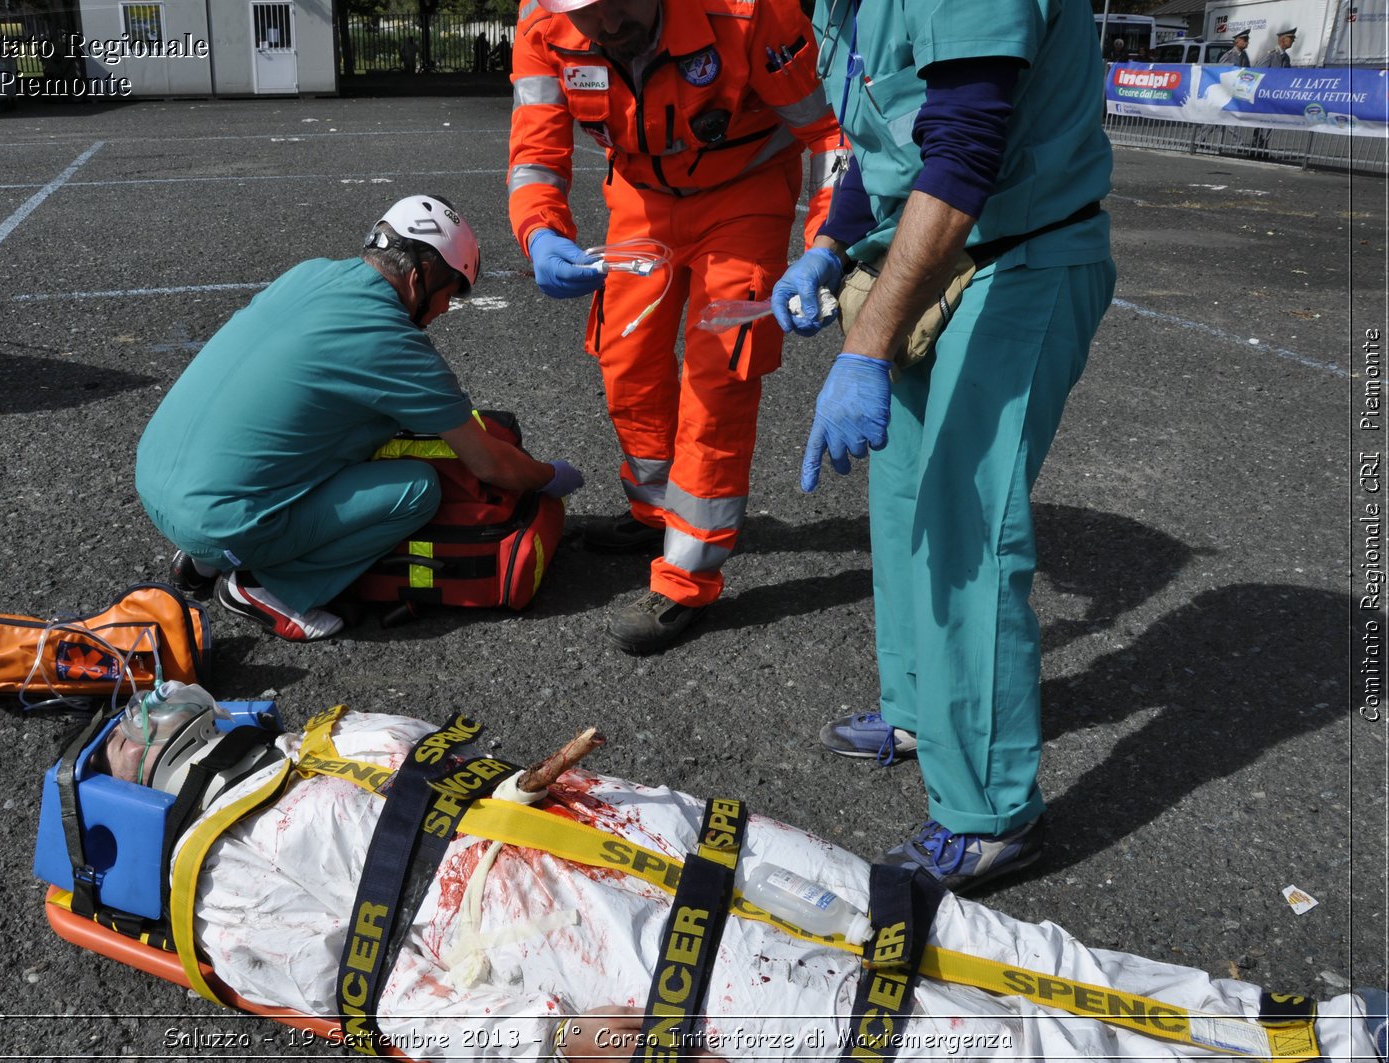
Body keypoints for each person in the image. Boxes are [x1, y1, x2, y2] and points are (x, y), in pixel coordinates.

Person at [76, 706, 1387, 1062]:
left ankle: (1302, 1027)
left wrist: (528, 783)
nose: (160, 726)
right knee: (949, 1028)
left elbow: (450, 788)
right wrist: (549, 1042)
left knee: (954, 930)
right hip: (577, 949)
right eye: (149, 735)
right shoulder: (228, 901)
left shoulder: (313, 736)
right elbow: (383, 998)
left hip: (651, 842)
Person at [769, 0, 1116, 894]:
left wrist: (863, 345)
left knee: (969, 523)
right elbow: (887, 141)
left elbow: (965, 150)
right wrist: (830, 245)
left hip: (1020, 250)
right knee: (903, 499)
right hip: (930, 249)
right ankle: (924, 709)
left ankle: (991, 814)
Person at [506, 0, 845, 654]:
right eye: (587, 14)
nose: (603, 27)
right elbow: (535, 151)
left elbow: (829, 134)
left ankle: (688, 573)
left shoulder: (751, 13)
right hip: (640, 196)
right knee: (624, 358)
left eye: (614, 4)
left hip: (743, 195)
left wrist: (825, 243)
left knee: (720, 381)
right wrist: (541, 232)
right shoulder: (541, 23)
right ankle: (656, 511)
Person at [134, 196, 583, 643]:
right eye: (449, 293)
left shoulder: (307, 273)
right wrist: (547, 477)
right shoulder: (395, 342)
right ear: (419, 275)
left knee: (329, 428)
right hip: (219, 522)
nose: (446, 309)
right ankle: (265, 587)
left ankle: (204, 561)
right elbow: (489, 464)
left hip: (155, 478)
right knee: (416, 489)